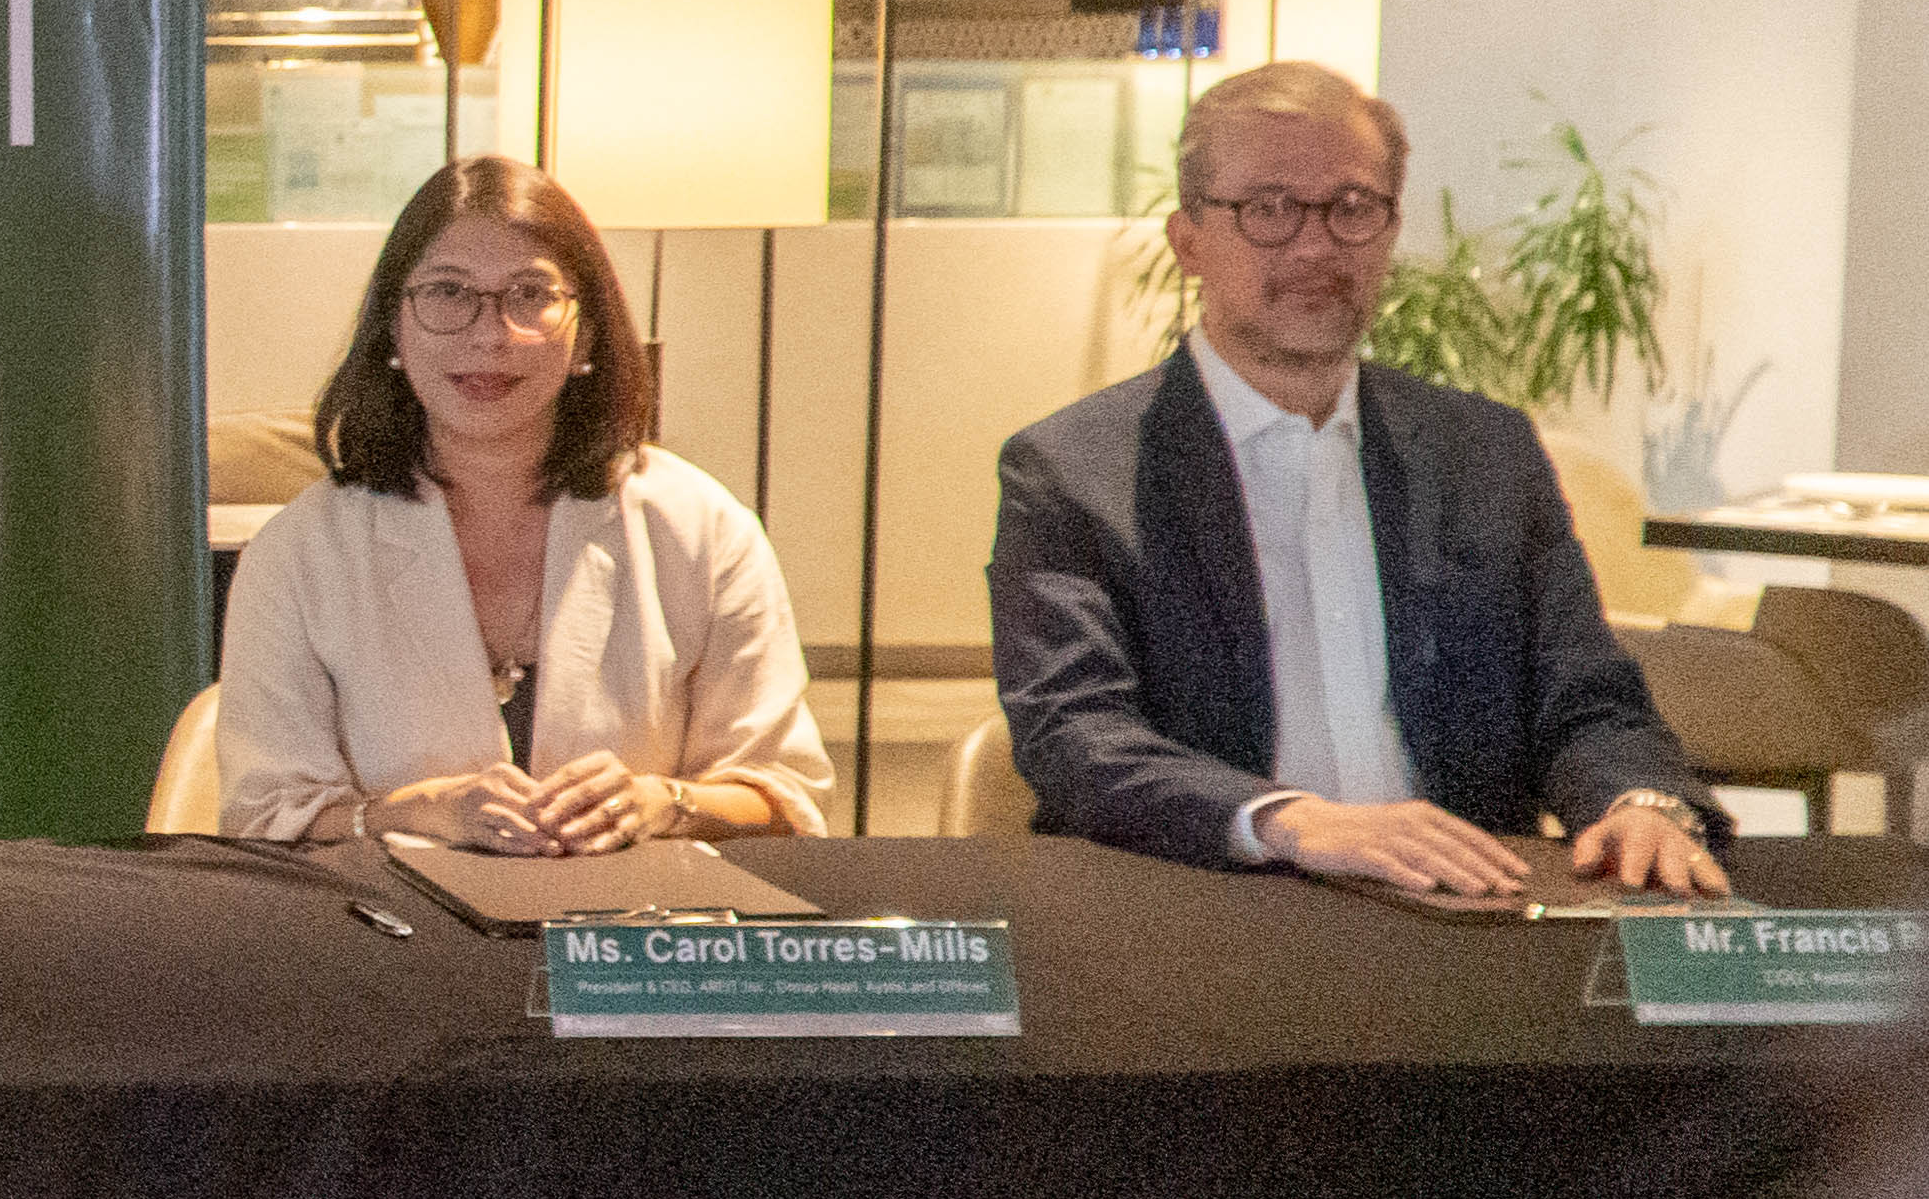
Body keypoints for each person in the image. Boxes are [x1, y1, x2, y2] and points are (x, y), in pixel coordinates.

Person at [988, 58, 1724, 896]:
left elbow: (1588, 701)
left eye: (1351, 207)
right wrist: (1288, 820)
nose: (1315, 245)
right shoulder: (1074, 472)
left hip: (1465, 915)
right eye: (1268, 209)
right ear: (1188, 241)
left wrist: (1638, 802)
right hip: (1206, 911)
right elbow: (1076, 734)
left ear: (1390, 228)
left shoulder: (1484, 451)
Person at [219, 155, 833, 848]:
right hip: (386, 916)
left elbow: (788, 797)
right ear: (393, 326)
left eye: (529, 294)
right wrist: (415, 811)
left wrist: (665, 803)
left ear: (586, 333)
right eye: (448, 292)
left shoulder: (702, 528)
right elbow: (262, 819)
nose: (490, 334)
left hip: (636, 914)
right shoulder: (301, 552)